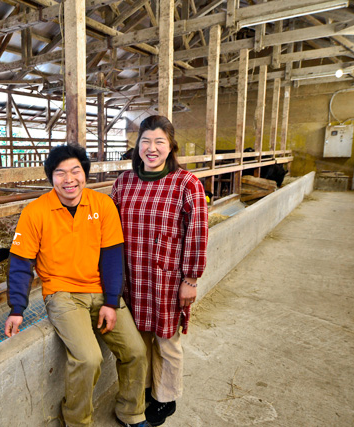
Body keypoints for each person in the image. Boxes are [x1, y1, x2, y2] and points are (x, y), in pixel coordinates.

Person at [4, 144, 150, 427]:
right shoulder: (35, 212)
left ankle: (131, 411)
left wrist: (111, 301)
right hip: (63, 294)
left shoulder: (103, 205)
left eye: (75, 171)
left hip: (101, 291)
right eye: (60, 173)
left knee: (136, 351)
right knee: (88, 358)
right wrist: (17, 308)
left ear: (85, 173)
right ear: (51, 177)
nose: (69, 179)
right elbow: (21, 263)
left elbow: (112, 257)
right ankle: (77, 421)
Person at [111, 115, 208, 426]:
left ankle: (165, 397)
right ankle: (144, 390)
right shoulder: (124, 182)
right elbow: (108, 227)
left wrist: (190, 279)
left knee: (166, 340)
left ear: (171, 146)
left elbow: (197, 233)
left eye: (159, 142)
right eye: (145, 141)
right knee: (139, 339)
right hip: (132, 275)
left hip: (166, 277)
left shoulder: (187, 184)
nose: (151, 148)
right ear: (137, 145)